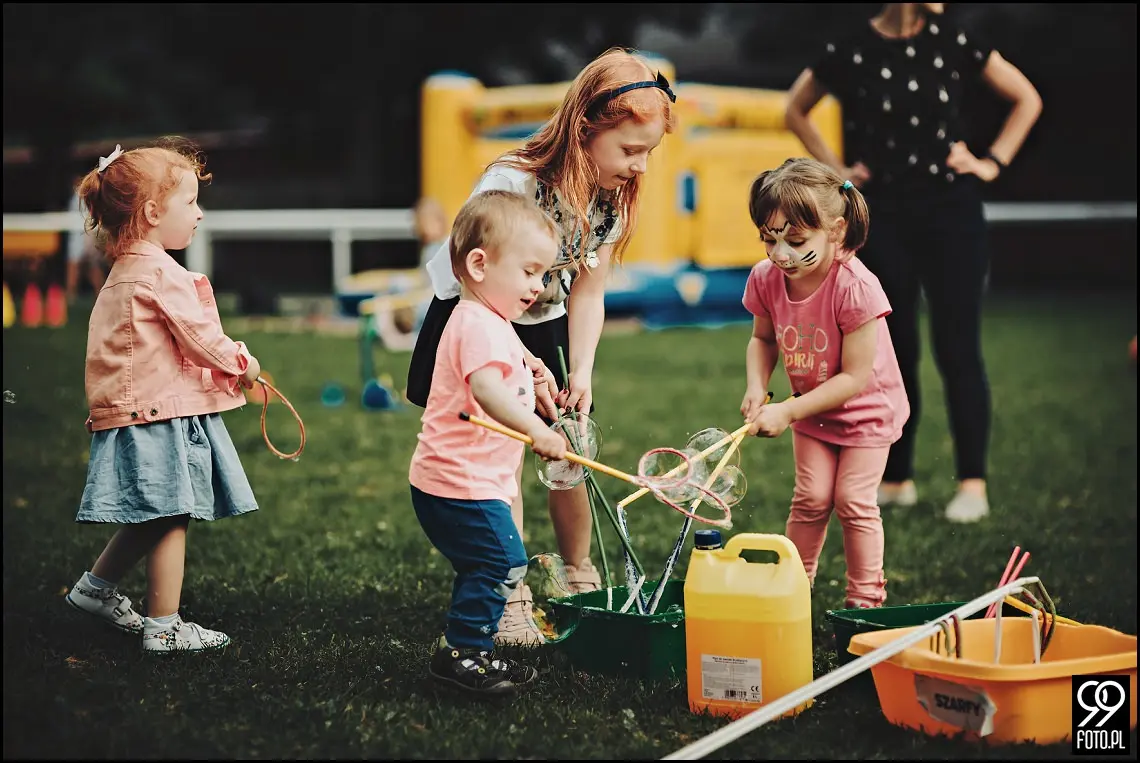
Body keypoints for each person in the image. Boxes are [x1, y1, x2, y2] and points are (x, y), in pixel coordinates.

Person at [407, 47, 677, 643]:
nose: (641, 167)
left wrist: (580, 371)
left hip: (544, 318)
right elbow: (472, 273)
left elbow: (588, 291)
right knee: (495, 456)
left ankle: (578, 571)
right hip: (475, 313)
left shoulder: (609, 202)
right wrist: (508, 354)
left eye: (648, 153)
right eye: (630, 151)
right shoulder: (513, 181)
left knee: (569, 448)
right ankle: (509, 593)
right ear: (586, 131)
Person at [784, 3, 1042, 523]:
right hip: (883, 218)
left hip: (952, 213)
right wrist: (835, 172)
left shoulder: (955, 40)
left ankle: (972, 483)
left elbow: (1026, 99)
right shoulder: (850, 47)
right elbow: (794, 110)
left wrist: (991, 162)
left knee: (957, 346)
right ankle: (897, 479)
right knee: (889, 351)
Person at [64, 139, 262, 653]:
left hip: (136, 411)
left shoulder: (123, 273)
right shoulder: (158, 272)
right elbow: (200, 337)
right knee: (172, 512)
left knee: (155, 512)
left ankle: (95, 590)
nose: (199, 213)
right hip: (156, 413)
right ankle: (165, 627)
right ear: (153, 212)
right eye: (191, 202)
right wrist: (243, 363)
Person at [408, 189, 566, 695]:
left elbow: (507, 364)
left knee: (486, 563)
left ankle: (465, 646)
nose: (538, 287)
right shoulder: (477, 324)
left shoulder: (488, 319)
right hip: (458, 483)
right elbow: (486, 388)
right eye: (529, 272)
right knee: (503, 561)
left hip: (467, 481)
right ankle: (463, 655)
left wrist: (534, 367)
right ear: (479, 264)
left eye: (543, 275)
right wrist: (536, 430)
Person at [741, 158, 910, 609]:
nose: (781, 254)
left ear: (835, 232)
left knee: (853, 500)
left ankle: (864, 603)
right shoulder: (767, 278)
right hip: (813, 412)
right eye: (769, 239)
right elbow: (761, 339)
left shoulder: (855, 287)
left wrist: (788, 410)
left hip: (867, 412)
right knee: (811, 498)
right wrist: (757, 386)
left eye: (796, 241)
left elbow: (855, 378)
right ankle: (792, 593)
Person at [64, 180, 107, 303]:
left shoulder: (92, 195)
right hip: (76, 237)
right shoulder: (76, 198)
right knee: (74, 266)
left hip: (89, 235)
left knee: (93, 267)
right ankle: (70, 296)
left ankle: (100, 294)